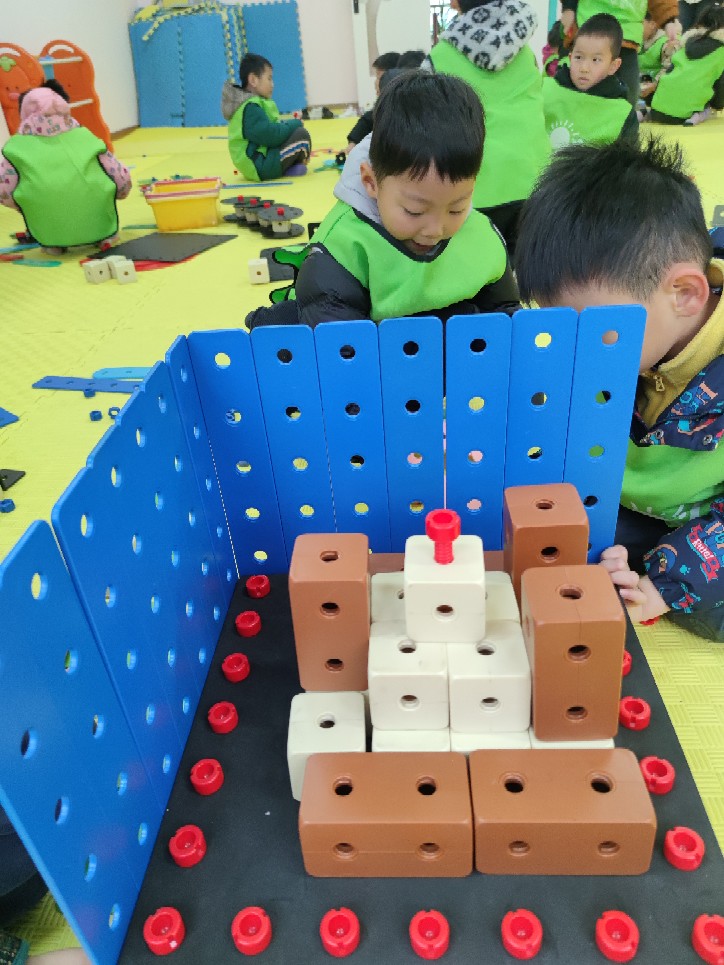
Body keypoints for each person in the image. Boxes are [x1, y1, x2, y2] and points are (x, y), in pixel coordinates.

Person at [514, 136, 724, 641]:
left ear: (685, 295)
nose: (577, 347)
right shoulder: (633, 330)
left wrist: (665, 588)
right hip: (638, 503)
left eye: (592, 329)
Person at [245, 71, 519, 330]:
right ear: (371, 183)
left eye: (457, 208)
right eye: (415, 211)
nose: (435, 229)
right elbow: (341, 345)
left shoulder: (481, 237)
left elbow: (505, 312)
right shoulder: (342, 250)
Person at [424, 0, 551, 257]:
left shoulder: (440, 57)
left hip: (476, 186)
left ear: (455, 3)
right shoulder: (525, 54)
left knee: (479, 266)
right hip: (534, 176)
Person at [0, 79, 131, 250]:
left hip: (48, 231)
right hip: (100, 223)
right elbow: (121, 178)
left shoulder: (16, 148)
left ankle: (55, 245)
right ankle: (104, 237)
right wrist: (119, 194)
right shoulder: (86, 137)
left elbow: (3, 192)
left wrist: (25, 206)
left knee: (35, 194)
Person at [543, 13, 638, 149]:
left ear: (613, 66)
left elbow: (629, 160)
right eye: (578, 57)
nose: (584, 68)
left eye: (596, 60)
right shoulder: (545, 90)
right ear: (570, 57)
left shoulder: (623, 114)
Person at [560, 0, 682, 106]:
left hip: (627, 37)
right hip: (591, 30)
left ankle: (621, 124)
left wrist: (668, 20)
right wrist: (569, 7)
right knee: (583, 89)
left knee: (629, 94)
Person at [221, 53, 311, 181]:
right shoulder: (251, 107)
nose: (272, 84)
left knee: (294, 133)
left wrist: (289, 125)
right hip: (259, 164)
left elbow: (271, 129)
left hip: (260, 159)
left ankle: (288, 166)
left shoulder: (252, 104)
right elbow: (271, 136)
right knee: (302, 136)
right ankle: (291, 165)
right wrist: (295, 123)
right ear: (253, 80)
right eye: (269, 79)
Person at [650, 1, 724, 125]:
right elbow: (721, 85)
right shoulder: (721, 52)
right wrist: (718, 105)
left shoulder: (684, 45)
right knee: (706, 105)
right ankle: (696, 117)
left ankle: (644, 113)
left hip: (657, 109)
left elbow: (669, 71)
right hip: (684, 114)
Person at [346, 52, 402, 153]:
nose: (375, 83)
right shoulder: (384, 105)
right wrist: (353, 142)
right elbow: (368, 119)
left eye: (379, 78)